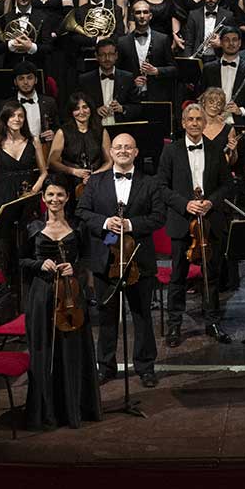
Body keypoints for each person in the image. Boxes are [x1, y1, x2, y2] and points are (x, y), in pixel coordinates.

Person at [76, 134, 164, 386]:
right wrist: (105, 223)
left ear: (136, 152)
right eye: (118, 147)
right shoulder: (95, 182)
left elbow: (159, 217)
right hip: (107, 251)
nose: (123, 151)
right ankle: (105, 366)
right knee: (106, 314)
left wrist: (130, 224)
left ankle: (146, 367)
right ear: (111, 153)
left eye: (128, 147)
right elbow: (82, 211)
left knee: (142, 314)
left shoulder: (151, 182)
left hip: (139, 257)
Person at [22, 181, 101, 429]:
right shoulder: (32, 227)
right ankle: (45, 411)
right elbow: (21, 260)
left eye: (60, 194)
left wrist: (74, 267)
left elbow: (89, 258)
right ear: (43, 198)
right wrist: (39, 264)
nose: (55, 199)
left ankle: (72, 408)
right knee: (44, 351)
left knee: (72, 350)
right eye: (50, 195)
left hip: (70, 296)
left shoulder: (78, 226)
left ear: (68, 198)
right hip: (42, 296)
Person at [158, 105, 236, 347]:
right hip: (182, 222)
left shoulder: (214, 149)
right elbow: (161, 187)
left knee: (211, 275)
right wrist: (186, 204)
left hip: (210, 221)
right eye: (190, 119)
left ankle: (212, 321)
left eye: (198, 119)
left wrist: (210, 202)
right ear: (183, 123)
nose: (194, 123)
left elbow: (227, 185)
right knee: (178, 277)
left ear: (204, 123)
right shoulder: (170, 151)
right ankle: (174, 326)